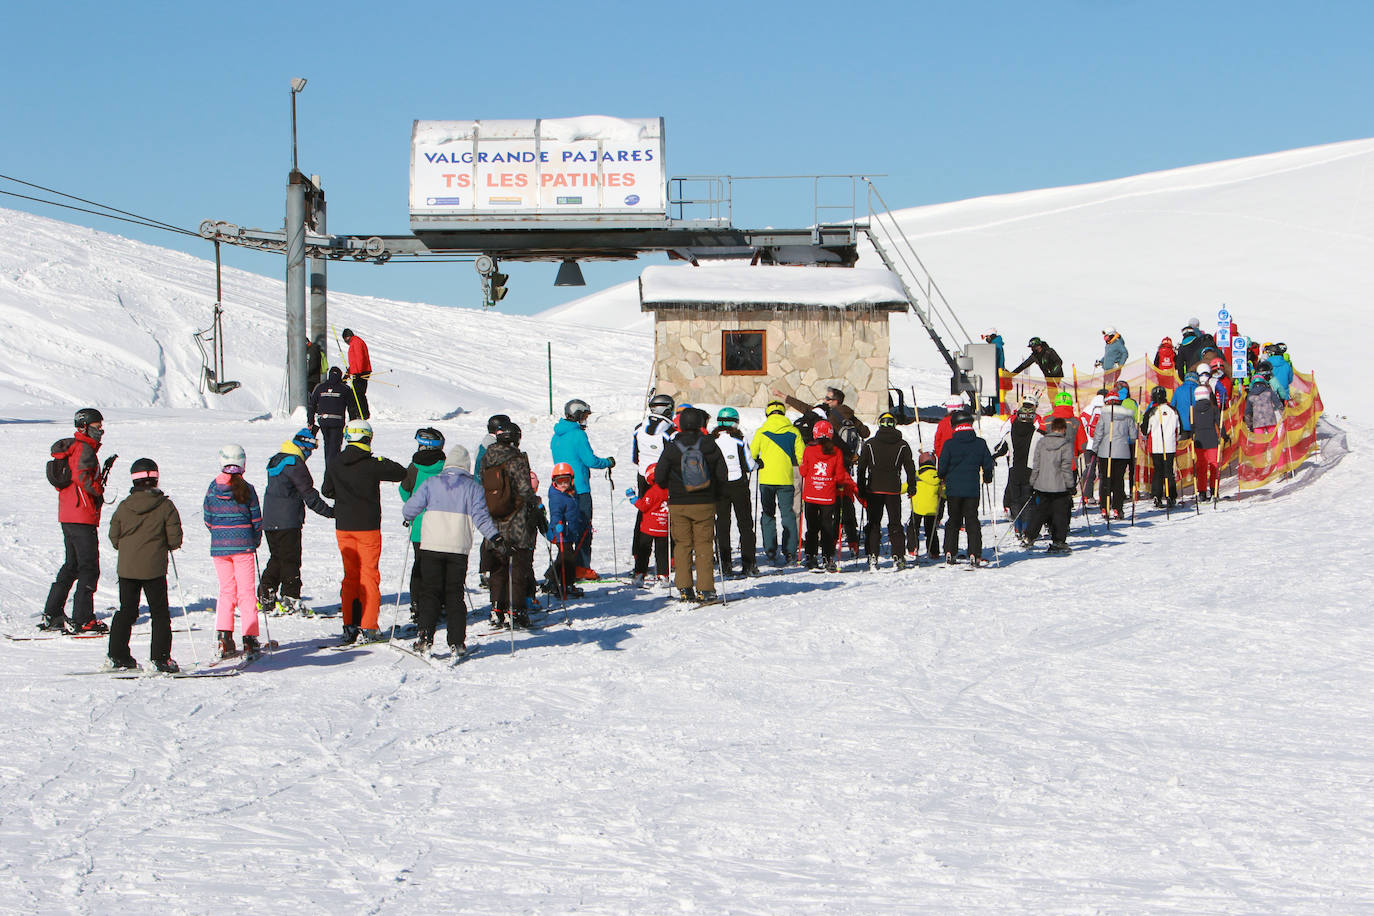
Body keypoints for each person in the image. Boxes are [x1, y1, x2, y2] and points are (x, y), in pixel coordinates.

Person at [401, 444, 501, 656]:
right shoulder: (473, 487)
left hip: (431, 546)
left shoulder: (431, 483)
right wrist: (495, 536)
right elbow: (481, 518)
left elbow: (410, 509)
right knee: (454, 594)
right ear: (466, 465)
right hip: (458, 548)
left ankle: (424, 637)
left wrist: (409, 517)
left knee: (430, 592)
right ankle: (457, 642)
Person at [321, 419, 407, 644]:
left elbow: (326, 490)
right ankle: (369, 626)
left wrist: (345, 496)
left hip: (344, 526)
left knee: (351, 577)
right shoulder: (371, 463)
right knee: (369, 575)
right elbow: (401, 472)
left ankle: (349, 625)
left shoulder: (336, 462)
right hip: (367, 527)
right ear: (368, 438)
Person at [106, 458, 183, 672]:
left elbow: (114, 536)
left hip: (127, 568)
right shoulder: (165, 505)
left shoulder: (124, 506)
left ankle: (117, 655)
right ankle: (160, 659)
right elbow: (175, 539)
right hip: (154, 568)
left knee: (127, 611)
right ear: (156, 478)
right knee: (159, 614)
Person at [42, 407, 115, 633]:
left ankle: (53, 613)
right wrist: (97, 491)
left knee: (72, 565)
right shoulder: (84, 449)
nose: (100, 430)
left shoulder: (75, 448)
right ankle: (83, 618)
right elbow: (83, 478)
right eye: (96, 426)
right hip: (81, 514)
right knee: (88, 567)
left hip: (69, 514)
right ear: (84, 426)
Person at [780, 386, 869, 555]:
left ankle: (816, 547)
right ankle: (847, 541)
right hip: (839, 464)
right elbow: (865, 432)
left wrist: (786, 397)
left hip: (821, 468)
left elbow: (806, 409)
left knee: (818, 510)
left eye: (828, 399)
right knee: (842, 504)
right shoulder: (837, 414)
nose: (825, 401)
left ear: (836, 401)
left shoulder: (834, 414)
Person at [258, 428, 334, 617]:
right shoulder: (295, 463)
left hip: (269, 520)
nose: (309, 454)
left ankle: (265, 594)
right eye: (309, 449)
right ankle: (290, 599)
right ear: (303, 446)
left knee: (277, 558)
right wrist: (332, 512)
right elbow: (309, 494)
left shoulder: (277, 459)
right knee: (291, 560)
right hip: (288, 521)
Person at [655, 406, 727, 601]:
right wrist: (717, 495)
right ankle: (706, 589)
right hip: (705, 502)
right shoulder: (710, 446)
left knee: (682, 545)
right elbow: (722, 475)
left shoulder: (672, 448)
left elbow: (659, 477)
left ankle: (685, 588)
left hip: (678, 503)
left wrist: (672, 485)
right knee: (704, 545)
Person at [204, 445, 264, 658]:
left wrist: (219, 535)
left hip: (220, 548)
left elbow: (207, 518)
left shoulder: (213, 488)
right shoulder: (247, 488)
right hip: (243, 546)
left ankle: (224, 638)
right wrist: (254, 540)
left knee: (226, 591)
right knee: (246, 592)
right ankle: (250, 639)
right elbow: (256, 519)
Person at [481, 422, 540, 627]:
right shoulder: (516, 459)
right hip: (517, 521)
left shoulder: (487, 457)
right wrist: (536, 504)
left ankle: (496, 608)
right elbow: (524, 490)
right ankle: (516, 611)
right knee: (517, 567)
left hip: (493, 519)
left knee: (498, 567)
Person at [550, 398, 613, 576]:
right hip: (580, 489)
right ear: (578, 415)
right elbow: (589, 460)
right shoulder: (578, 434)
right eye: (584, 415)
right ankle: (581, 567)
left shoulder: (557, 436)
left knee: (567, 530)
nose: (585, 419)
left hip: (561, 488)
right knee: (584, 528)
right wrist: (607, 462)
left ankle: (565, 567)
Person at [857, 411, 917, 570]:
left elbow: (861, 468)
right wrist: (912, 486)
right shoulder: (902, 444)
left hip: (874, 489)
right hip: (893, 489)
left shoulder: (870, 444)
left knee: (874, 523)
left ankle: (872, 556)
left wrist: (861, 488)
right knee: (895, 523)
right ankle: (898, 556)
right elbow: (910, 468)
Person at [398, 428, 447, 623]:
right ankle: (439, 602)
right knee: (440, 565)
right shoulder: (445, 466)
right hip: (441, 525)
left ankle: (417, 604)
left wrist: (413, 505)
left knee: (419, 566)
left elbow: (404, 491)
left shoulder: (414, 467)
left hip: (419, 526)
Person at [749, 399, 805, 566]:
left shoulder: (761, 431)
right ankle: (789, 551)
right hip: (786, 479)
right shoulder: (794, 431)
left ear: (768, 413)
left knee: (768, 514)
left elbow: (751, 455)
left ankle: (771, 550)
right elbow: (802, 457)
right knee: (788, 514)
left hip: (766, 480)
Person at [937, 409, 995, 566]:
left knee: (953, 520)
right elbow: (988, 464)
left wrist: (942, 477)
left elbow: (941, 467)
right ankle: (974, 553)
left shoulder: (949, 444)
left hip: (953, 490)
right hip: (972, 490)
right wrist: (987, 477)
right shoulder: (980, 443)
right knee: (972, 521)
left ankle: (950, 550)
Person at [800, 420, 855, 573]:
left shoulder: (809, 450)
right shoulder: (836, 451)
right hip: (828, 495)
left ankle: (811, 556)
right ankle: (827, 557)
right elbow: (838, 475)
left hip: (811, 495)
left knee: (812, 527)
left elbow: (803, 471)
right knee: (827, 527)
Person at [711, 407, 759, 578]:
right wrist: (758, 464)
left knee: (722, 524)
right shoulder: (739, 440)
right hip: (738, 484)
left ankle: (725, 564)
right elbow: (748, 464)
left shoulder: (712, 439)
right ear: (735, 422)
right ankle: (749, 564)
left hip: (718, 486)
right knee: (745, 524)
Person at [1020, 417, 1076, 554]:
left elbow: (1036, 465)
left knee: (1040, 512)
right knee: (1060, 515)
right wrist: (1070, 485)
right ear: (1063, 429)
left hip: (1042, 484)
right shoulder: (1066, 444)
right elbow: (1066, 467)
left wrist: (1033, 481)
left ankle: (1029, 536)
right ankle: (1058, 541)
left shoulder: (1041, 442)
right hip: (1060, 486)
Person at [992, 397, 1040, 535]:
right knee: (1028, 501)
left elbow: (999, 451)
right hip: (1030, 471)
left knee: (1015, 500)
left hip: (1014, 471)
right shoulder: (1037, 435)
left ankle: (1018, 527)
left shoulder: (1009, 434)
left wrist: (991, 459)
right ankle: (1026, 528)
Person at [542, 462, 589, 600]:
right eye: (559, 481)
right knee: (568, 559)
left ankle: (551, 580)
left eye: (565, 481)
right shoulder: (557, 497)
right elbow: (556, 513)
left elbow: (575, 511)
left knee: (563, 557)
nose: (563, 485)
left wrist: (583, 522)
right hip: (561, 533)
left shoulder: (572, 493)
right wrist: (557, 526)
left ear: (571, 480)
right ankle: (566, 584)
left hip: (570, 531)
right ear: (554, 482)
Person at [1090, 393, 1139, 519]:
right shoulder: (1128, 415)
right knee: (1118, 481)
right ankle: (1118, 508)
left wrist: (1094, 449)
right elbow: (1133, 436)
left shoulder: (1104, 415)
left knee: (1106, 479)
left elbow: (1098, 433)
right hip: (1122, 452)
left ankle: (1105, 508)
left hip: (1106, 452)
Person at [629, 463, 671, 587]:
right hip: (663, 527)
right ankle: (663, 575)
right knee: (662, 552)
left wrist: (633, 498)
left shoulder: (652, 492)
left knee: (644, 551)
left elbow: (643, 506)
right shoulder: (669, 490)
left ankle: (640, 574)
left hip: (649, 528)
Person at [1141, 386, 1181, 509]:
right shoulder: (1173, 410)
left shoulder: (1152, 411)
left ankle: (1157, 496)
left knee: (1158, 471)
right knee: (1169, 471)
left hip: (1156, 446)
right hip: (1169, 446)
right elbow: (1179, 429)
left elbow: (1144, 430)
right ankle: (1171, 497)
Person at [308, 366, 352, 467]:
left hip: (323, 421)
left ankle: (329, 466)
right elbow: (352, 406)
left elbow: (311, 405)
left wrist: (310, 421)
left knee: (327, 444)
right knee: (335, 446)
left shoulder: (320, 387)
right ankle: (332, 470)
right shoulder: (345, 389)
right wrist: (353, 421)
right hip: (337, 421)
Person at [1191, 384, 1228, 501]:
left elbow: (1191, 425)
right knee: (1214, 466)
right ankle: (1214, 490)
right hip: (1212, 440)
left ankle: (1201, 492)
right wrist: (1224, 436)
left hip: (1198, 441)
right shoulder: (1213, 409)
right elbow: (1220, 424)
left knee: (1201, 467)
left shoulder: (1193, 410)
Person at [906, 450, 944, 560]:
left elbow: (905, 487)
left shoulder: (916, 475)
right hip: (932, 509)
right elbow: (944, 492)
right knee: (931, 530)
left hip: (917, 508)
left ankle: (913, 548)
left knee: (913, 527)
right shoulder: (938, 477)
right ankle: (934, 552)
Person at [340, 328, 372, 419]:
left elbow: (359, 358)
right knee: (357, 393)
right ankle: (361, 413)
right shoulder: (355, 342)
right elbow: (354, 362)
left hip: (361, 372)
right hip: (359, 371)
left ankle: (363, 413)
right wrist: (348, 374)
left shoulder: (356, 342)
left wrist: (357, 372)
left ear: (347, 337)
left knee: (358, 393)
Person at [1245, 363, 1285, 432]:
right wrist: (1284, 414)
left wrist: (1249, 424)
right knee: (1274, 437)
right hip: (1271, 415)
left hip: (1257, 420)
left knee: (1260, 440)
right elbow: (1279, 398)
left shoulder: (1251, 394)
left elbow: (1248, 410)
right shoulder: (1270, 386)